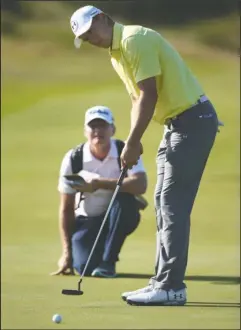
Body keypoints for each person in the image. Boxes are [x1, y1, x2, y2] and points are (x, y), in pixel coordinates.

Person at [69, 5, 224, 305]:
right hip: (176, 126)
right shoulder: (117, 54)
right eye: (85, 39)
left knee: (173, 205)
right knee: (162, 204)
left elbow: (149, 93)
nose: (91, 40)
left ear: (102, 18)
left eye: (90, 33)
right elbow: (137, 99)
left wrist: (133, 140)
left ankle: (171, 286)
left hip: (191, 123)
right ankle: (162, 281)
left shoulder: (133, 40)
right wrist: (133, 141)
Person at [51, 105, 147, 278]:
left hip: (120, 215)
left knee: (124, 200)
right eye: (93, 126)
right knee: (83, 267)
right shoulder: (74, 158)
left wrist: (98, 183)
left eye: (103, 126)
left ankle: (108, 263)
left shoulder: (125, 150)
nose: (97, 131)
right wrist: (67, 252)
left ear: (113, 129)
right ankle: (98, 252)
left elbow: (141, 184)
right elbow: (66, 208)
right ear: (85, 131)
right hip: (87, 219)